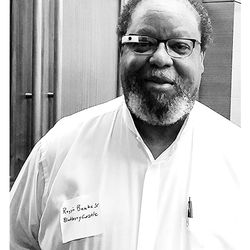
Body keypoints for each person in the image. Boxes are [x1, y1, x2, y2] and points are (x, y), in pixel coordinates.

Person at [10, 0, 247, 249]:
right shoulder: (58, 150)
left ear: (202, 59)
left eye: (179, 46)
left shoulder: (240, 159)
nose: (160, 58)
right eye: (142, 43)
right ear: (122, 51)